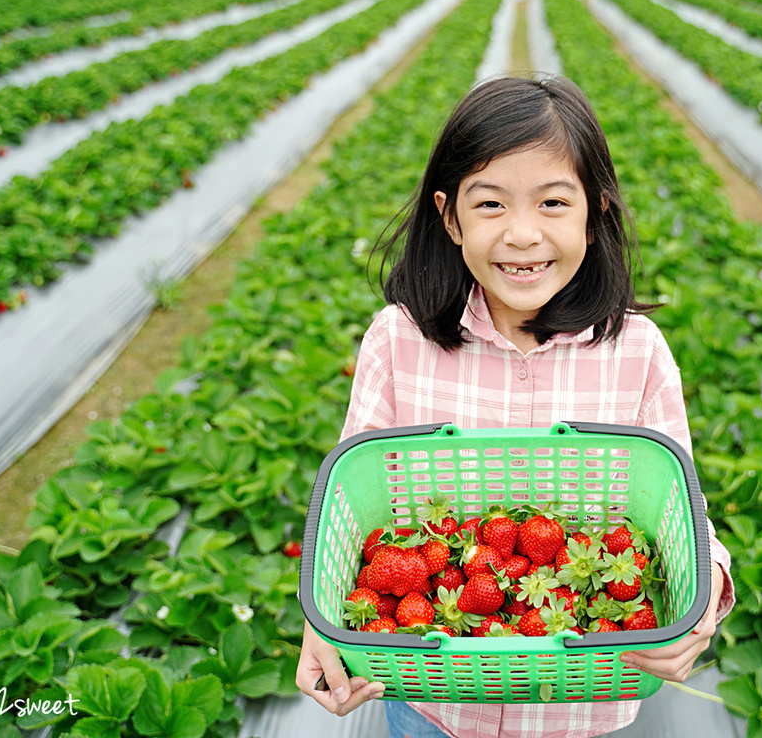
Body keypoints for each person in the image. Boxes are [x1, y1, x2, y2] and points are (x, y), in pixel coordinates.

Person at [294, 75, 736, 738]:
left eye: (554, 203)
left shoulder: (637, 353)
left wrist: (702, 606)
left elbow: (681, 517)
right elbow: (349, 514)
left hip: (582, 709)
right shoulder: (398, 341)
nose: (523, 234)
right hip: (431, 706)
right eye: (491, 205)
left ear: (597, 214)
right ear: (450, 218)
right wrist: (320, 624)